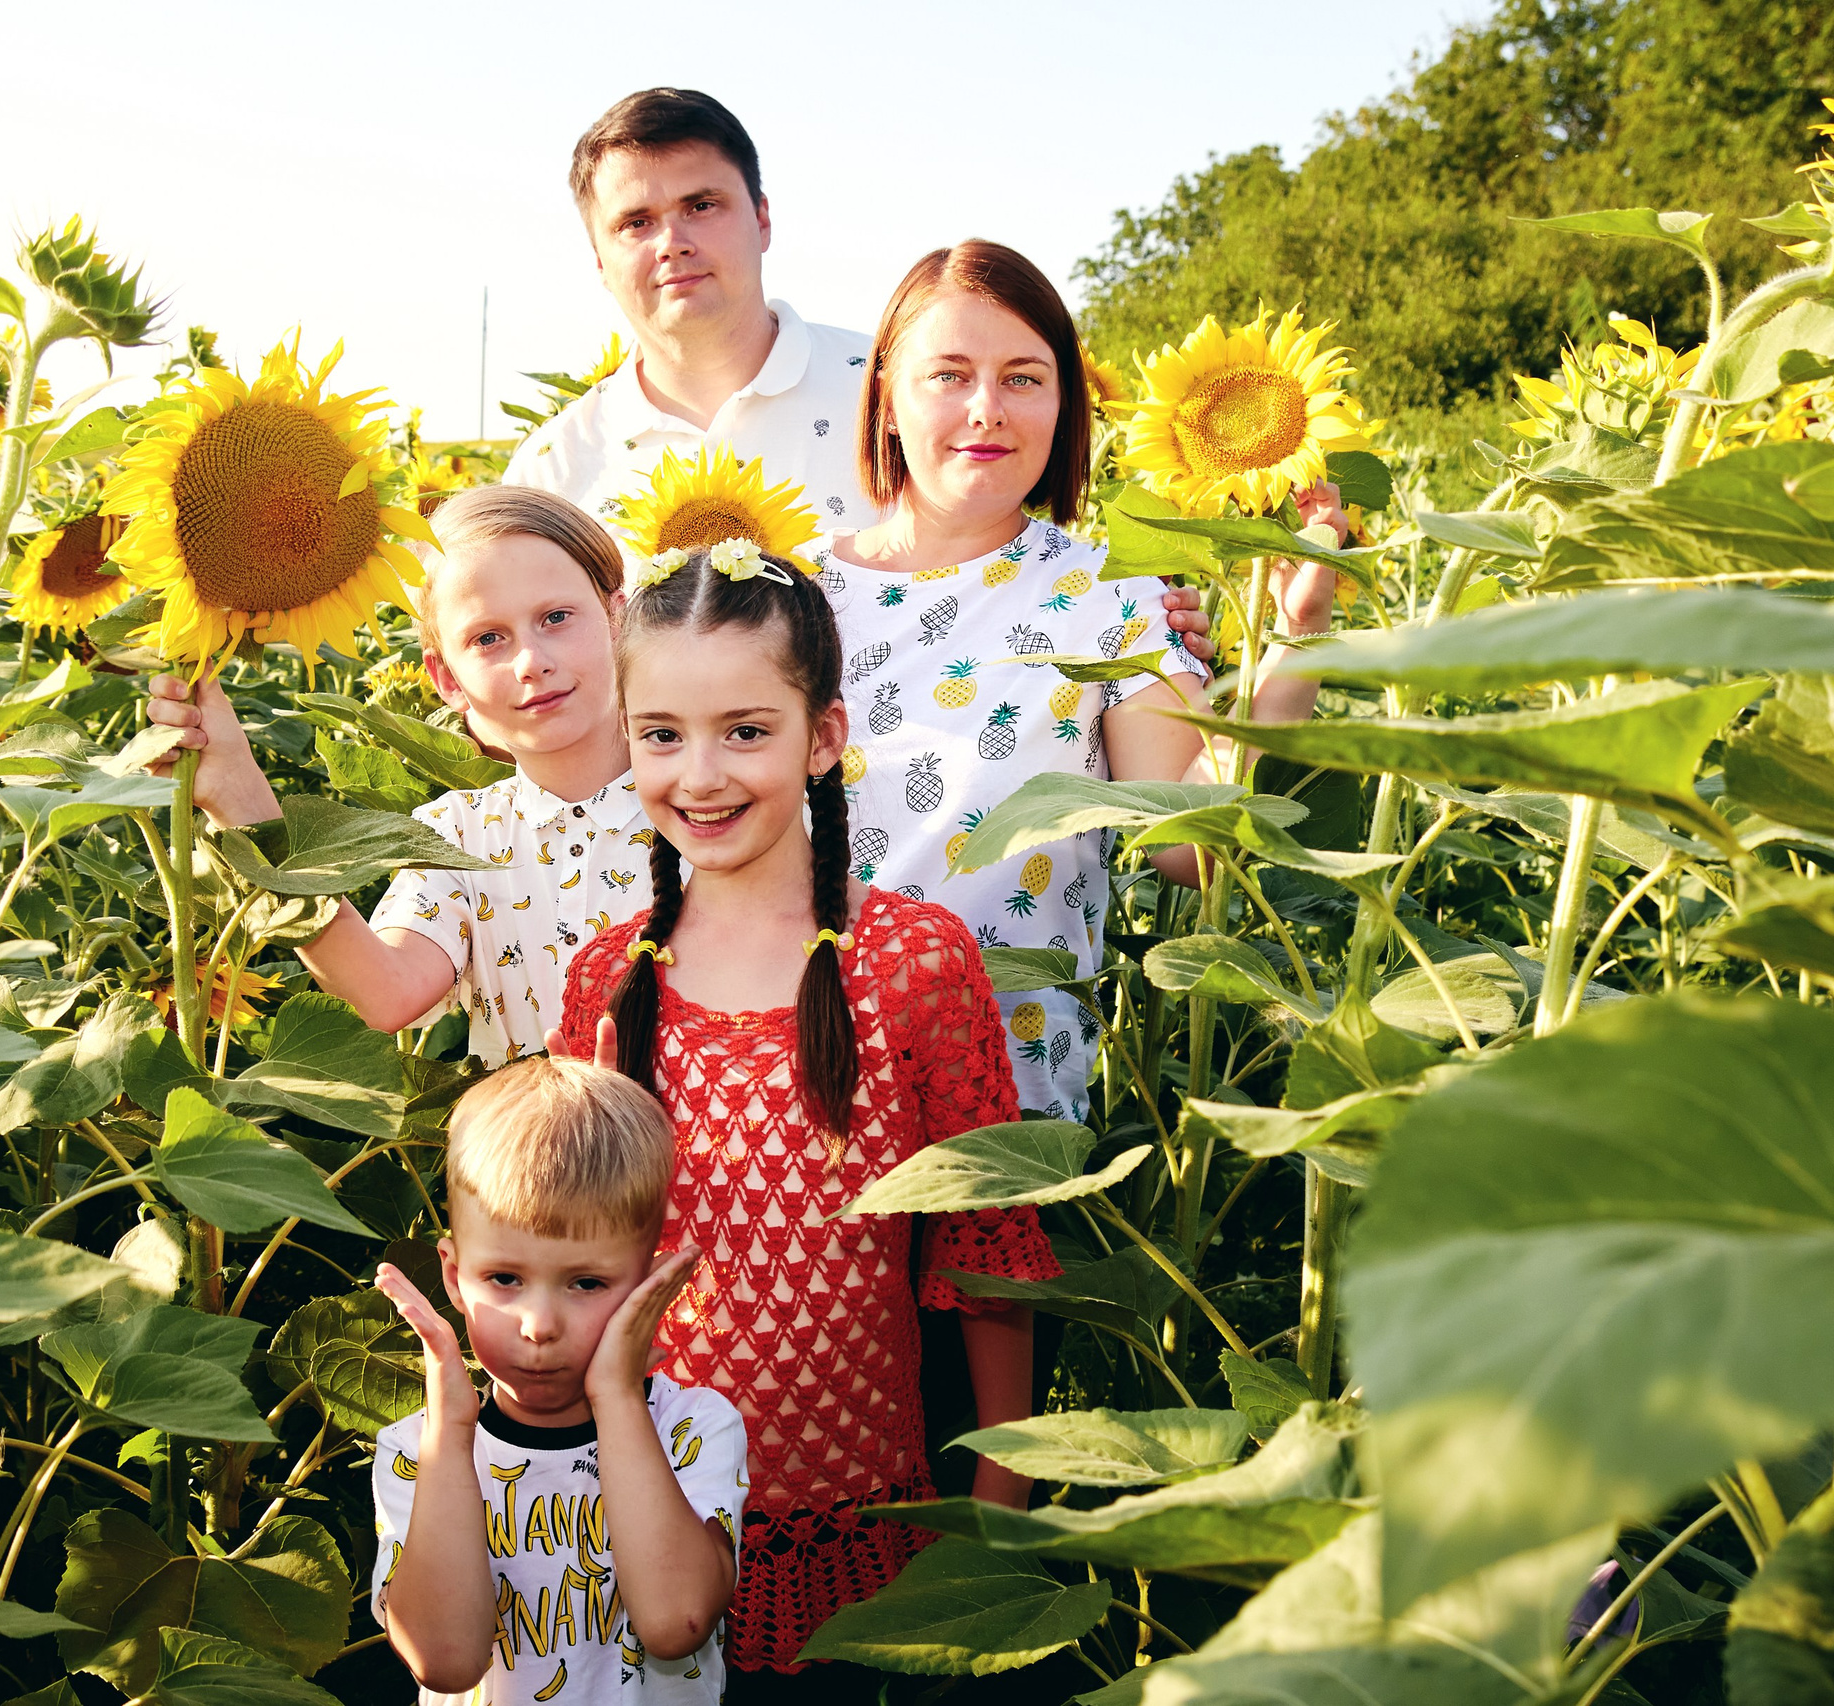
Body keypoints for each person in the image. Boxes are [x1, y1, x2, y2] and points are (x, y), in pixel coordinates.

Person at [555, 538, 1059, 1686]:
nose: (700, 775)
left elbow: (986, 1249)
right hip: (641, 1527)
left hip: (872, 1542)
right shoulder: (606, 983)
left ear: (823, 736)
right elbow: (572, 1264)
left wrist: (998, 1500)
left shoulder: (914, 962)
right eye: (661, 734)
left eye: (745, 731)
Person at [801, 240, 1342, 1121]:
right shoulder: (785, 596)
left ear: (1064, 406)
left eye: (1023, 378)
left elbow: (1191, 847)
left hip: (1003, 1115)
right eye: (949, 376)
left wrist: (1297, 635)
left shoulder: (1113, 591)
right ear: (888, 400)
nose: (987, 408)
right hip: (786, 1089)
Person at [144, 486, 649, 1063]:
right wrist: (238, 792)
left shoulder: (704, 800)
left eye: (556, 618)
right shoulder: (458, 837)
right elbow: (385, 994)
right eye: (488, 638)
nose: (531, 662)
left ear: (618, 619)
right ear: (447, 680)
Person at [371, 1053, 745, 1703]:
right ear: (454, 1276)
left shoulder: (691, 1430)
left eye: (586, 1283)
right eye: (504, 1278)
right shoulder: (417, 1450)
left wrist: (618, 1396)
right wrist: (451, 1434)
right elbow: (445, 1662)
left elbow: (674, 1622)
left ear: (649, 1286)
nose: (539, 1325)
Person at [504, 88, 877, 540]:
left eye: (701, 206)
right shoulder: (549, 478)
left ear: (761, 220)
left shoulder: (894, 396)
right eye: (636, 223)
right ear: (600, 260)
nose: (672, 244)